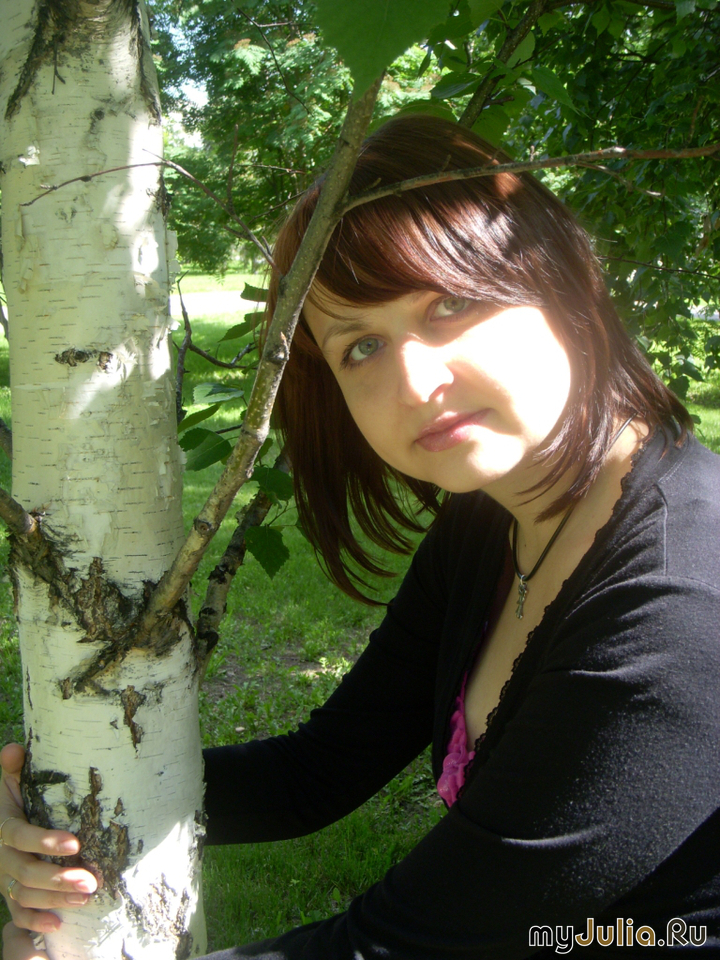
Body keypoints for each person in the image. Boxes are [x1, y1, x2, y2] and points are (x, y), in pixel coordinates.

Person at [2, 115, 720, 959]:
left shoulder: (678, 603)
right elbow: (318, 772)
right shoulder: (493, 521)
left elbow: (406, 947)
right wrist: (67, 816)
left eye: (451, 304)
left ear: (562, 282)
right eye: (363, 345)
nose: (413, 382)